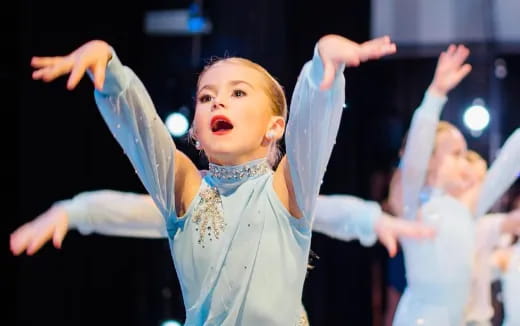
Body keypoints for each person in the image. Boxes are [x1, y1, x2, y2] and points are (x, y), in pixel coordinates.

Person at [24, 35, 396, 325]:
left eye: (237, 93)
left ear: (274, 127)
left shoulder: (285, 190)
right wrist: (107, 66)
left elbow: (312, 130)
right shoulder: (186, 188)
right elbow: (143, 135)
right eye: (206, 97)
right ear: (197, 135)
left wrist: (322, 68)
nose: (218, 102)